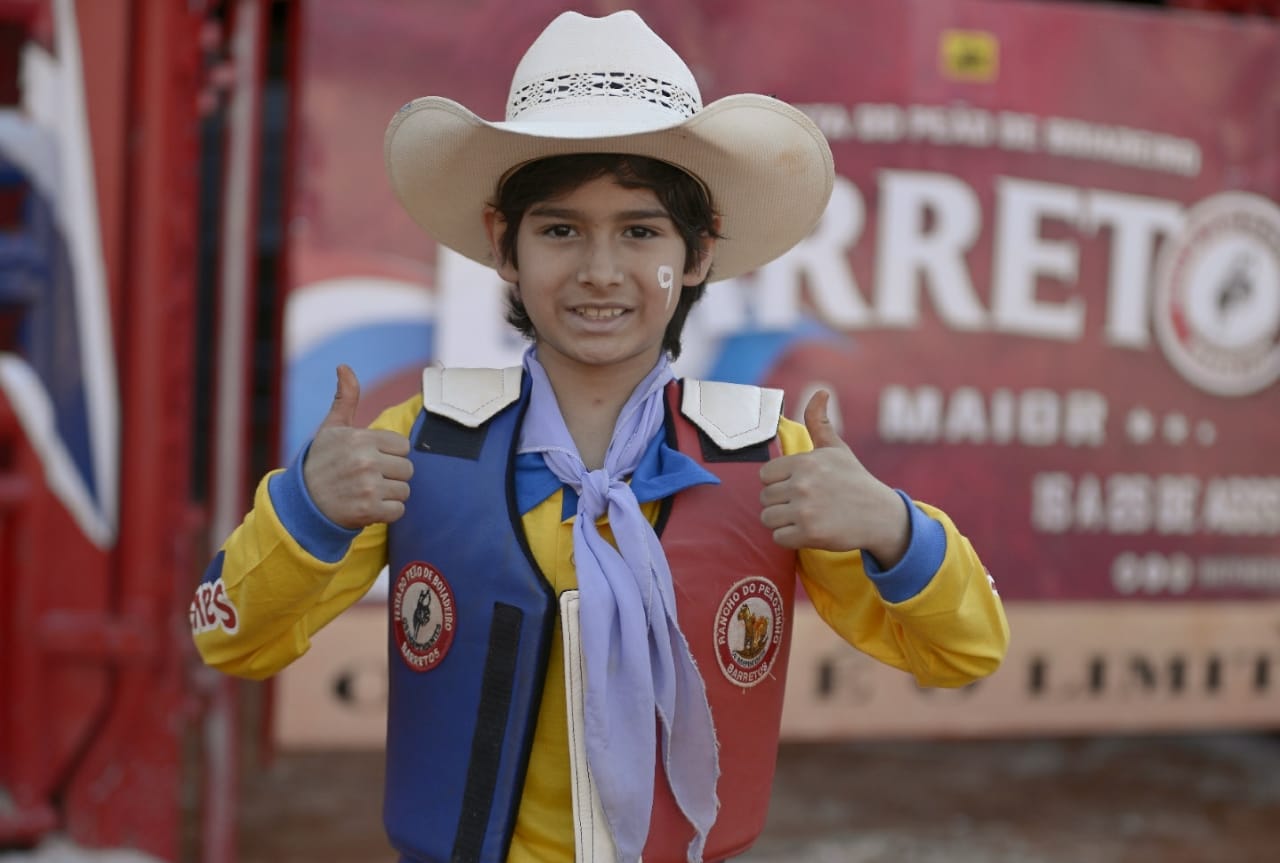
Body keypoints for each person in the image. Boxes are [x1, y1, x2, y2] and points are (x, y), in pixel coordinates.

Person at [191, 10, 1009, 863]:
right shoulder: (422, 446)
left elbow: (967, 649)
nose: (600, 271)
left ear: (697, 255)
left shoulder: (768, 459)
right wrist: (307, 511)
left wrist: (894, 528)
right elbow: (228, 638)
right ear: (505, 247)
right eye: (560, 230)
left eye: (640, 230)